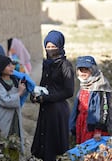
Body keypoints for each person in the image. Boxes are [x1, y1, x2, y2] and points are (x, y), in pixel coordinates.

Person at [31, 30, 74, 161]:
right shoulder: (47, 64)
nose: (50, 50)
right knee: (44, 148)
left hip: (57, 111)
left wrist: (47, 98)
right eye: (47, 47)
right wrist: (35, 95)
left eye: (53, 47)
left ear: (60, 47)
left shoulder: (65, 65)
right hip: (46, 109)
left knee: (54, 147)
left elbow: (68, 91)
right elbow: (43, 85)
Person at [69, 56, 112, 144]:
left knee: (92, 152)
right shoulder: (83, 85)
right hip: (82, 123)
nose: (83, 73)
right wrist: (73, 125)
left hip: (94, 126)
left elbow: (104, 109)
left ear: (93, 70)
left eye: (86, 70)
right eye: (81, 70)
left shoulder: (100, 86)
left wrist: (99, 129)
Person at [0, 55, 26, 154]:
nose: (11, 67)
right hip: (3, 119)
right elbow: (6, 101)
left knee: (15, 143)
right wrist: (19, 93)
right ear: (1, 68)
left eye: (11, 65)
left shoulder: (14, 80)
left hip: (14, 118)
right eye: (8, 65)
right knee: (2, 145)